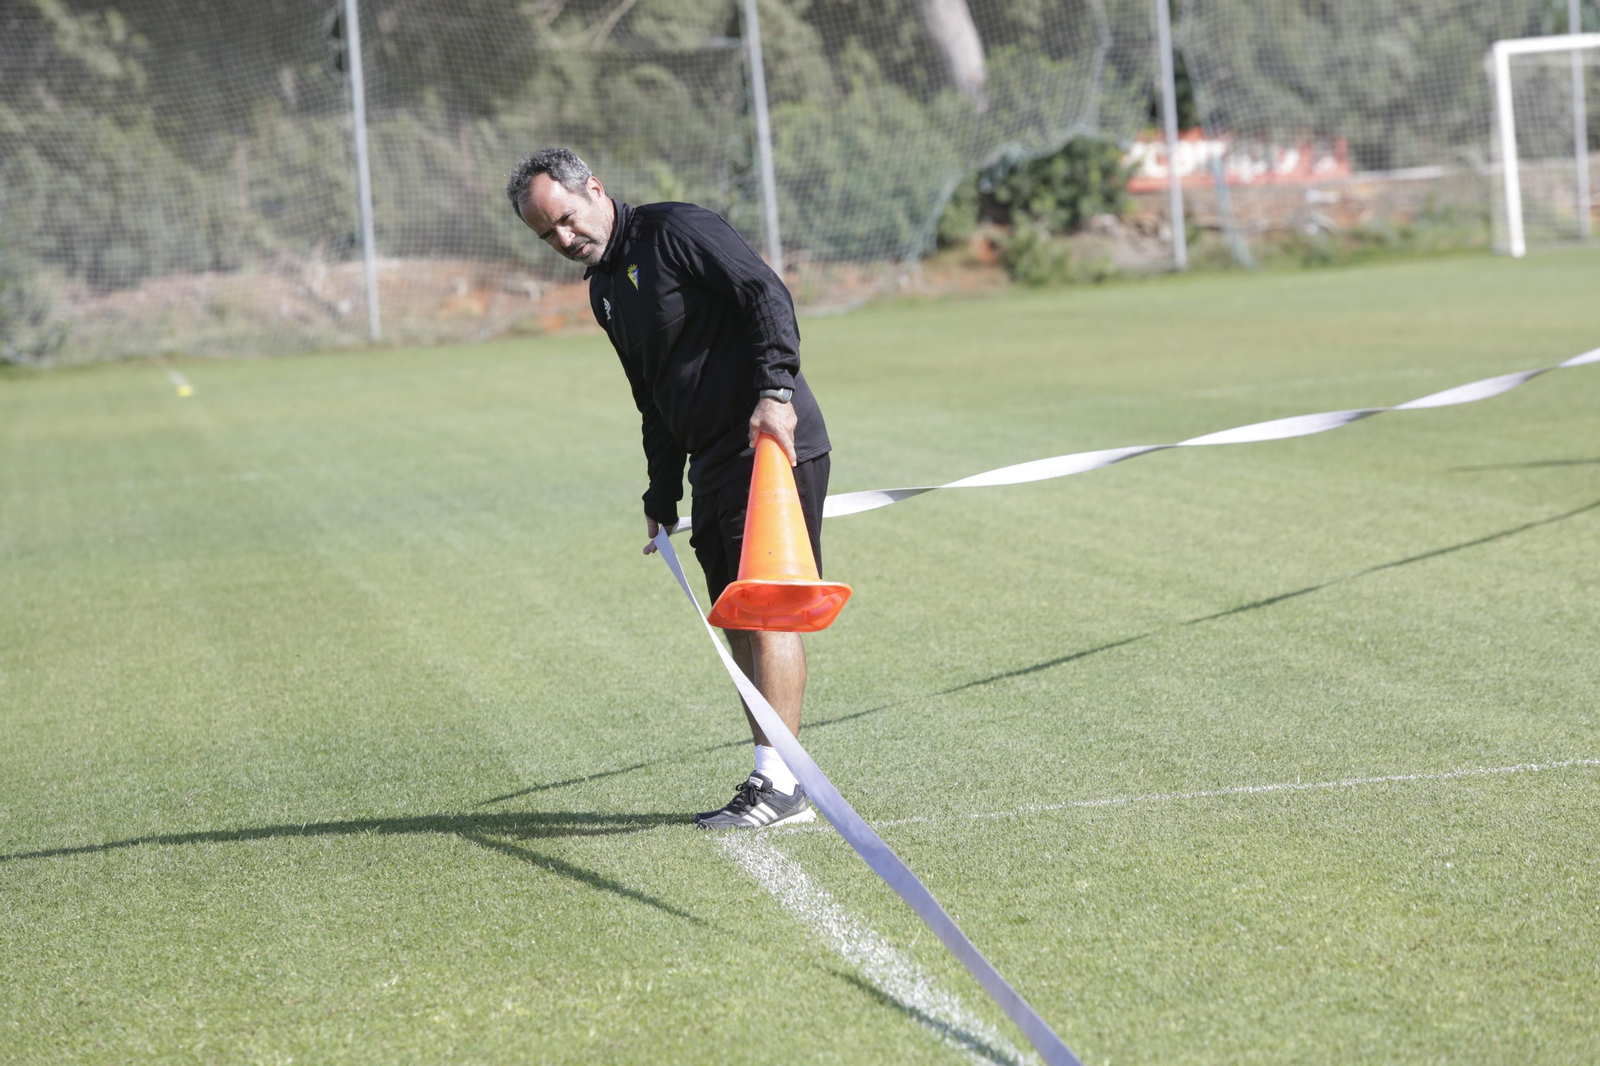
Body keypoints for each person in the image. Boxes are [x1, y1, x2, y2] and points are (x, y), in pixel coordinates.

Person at [506, 147, 831, 829]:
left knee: (765, 610)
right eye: (547, 235)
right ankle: (774, 778)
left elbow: (764, 293)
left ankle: (783, 785)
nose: (564, 240)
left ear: (594, 187)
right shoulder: (602, 290)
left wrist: (775, 391)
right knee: (738, 616)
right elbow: (651, 397)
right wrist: (661, 496)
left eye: (566, 219)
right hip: (711, 461)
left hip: (765, 444)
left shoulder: (677, 230)